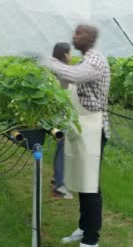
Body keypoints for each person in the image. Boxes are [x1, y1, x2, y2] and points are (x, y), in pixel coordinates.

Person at [42, 25, 110, 247]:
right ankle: (84, 228)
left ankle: (91, 240)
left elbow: (76, 75)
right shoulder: (82, 61)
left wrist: (48, 61)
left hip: (94, 129)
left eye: (78, 34)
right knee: (82, 182)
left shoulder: (95, 60)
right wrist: (57, 72)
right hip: (82, 128)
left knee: (90, 185)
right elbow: (66, 83)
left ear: (90, 38)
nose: (73, 36)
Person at [51, 42, 73, 200]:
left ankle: (56, 178)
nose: (71, 56)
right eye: (70, 53)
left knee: (60, 148)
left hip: (55, 116)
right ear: (65, 54)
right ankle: (59, 185)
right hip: (62, 117)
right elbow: (66, 96)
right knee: (64, 149)